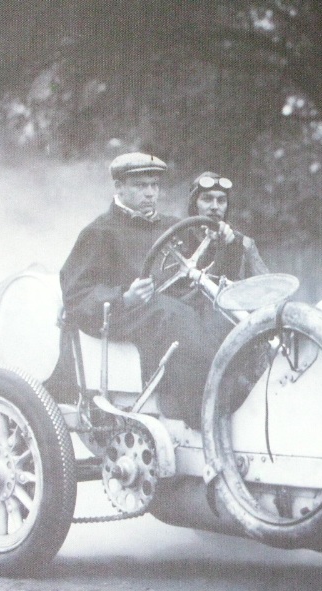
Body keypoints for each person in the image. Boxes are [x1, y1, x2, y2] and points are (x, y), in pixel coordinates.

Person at [60, 152, 230, 427]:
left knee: (220, 312)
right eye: (141, 186)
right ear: (120, 188)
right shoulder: (99, 233)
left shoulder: (172, 226)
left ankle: (234, 394)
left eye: (154, 185)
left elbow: (207, 265)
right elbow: (76, 294)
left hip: (167, 309)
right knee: (174, 316)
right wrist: (123, 298)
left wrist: (222, 242)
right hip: (124, 317)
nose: (150, 193)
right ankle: (201, 415)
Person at [187, 171, 268, 281]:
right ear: (194, 204)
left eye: (221, 200)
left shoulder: (243, 243)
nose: (215, 206)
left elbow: (266, 287)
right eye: (207, 199)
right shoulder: (180, 239)